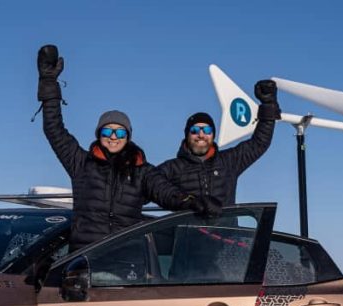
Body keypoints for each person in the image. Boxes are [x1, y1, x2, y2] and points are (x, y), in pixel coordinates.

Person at [37, 44, 213, 252]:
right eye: (107, 132)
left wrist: (192, 201)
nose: (113, 137)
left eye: (120, 133)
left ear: (128, 137)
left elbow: (166, 192)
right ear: (98, 135)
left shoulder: (142, 171)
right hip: (85, 258)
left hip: (126, 258)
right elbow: (54, 129)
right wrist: (48, 83)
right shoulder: (81, 163)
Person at [158, 81, 280, 208]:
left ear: (213, 135)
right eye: (194, 130)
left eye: (207, 130)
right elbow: (147, 186)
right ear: (187, 135)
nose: (201, 135)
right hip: (189, 228)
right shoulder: (173, 168)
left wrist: (268, 105)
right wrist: (186, 200)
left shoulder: (228, 161)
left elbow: (259, 143)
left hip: (225, 228)